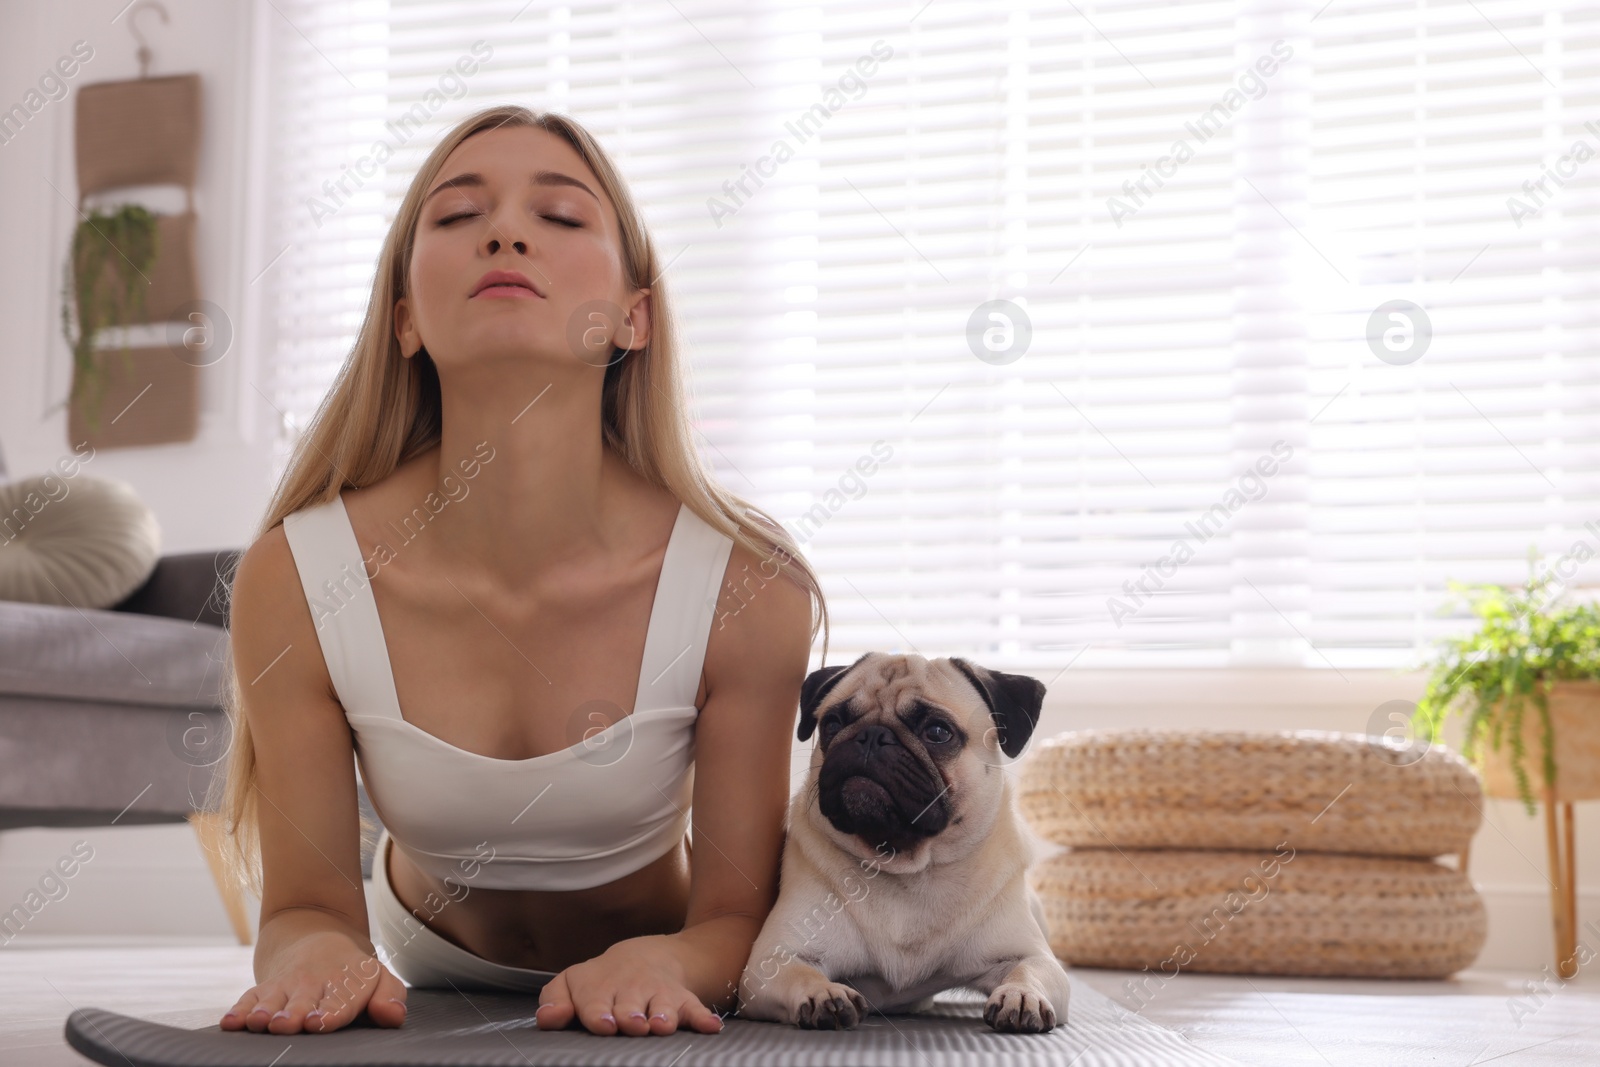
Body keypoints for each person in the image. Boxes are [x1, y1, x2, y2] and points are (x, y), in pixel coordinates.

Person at [212, 105, 826, 1038]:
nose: (504, 232)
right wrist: (316, 953)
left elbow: (738, 919)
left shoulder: (750, 583)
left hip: (655, 959)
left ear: (633, 316)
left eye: (562, 217)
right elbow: (304, 908)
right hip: (422, 962)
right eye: (458, 216)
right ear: (406, 319)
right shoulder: (295, 577)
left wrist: (669, 959)